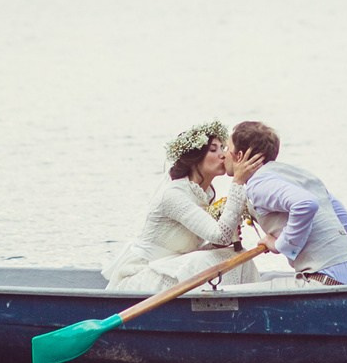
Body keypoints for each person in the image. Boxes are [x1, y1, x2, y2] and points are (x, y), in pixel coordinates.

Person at [101, 120, 265, 293]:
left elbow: (196, 248)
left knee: (236, 255)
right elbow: (221, 236)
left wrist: (218, 245)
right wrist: (238, 181)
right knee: (202, 261)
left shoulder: (207, 194)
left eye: (223, 148)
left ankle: (247, 300)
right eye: (213, 150)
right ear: (195, 159)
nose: (223, 155)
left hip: (171, 265)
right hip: (144, 275)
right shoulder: (174, 195)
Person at [228, 120, 347, 286]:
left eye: (227, 149)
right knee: (266, 277)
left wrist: (281, 244)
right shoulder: (300, 175)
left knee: (238, 289)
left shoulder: (258, 183)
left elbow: (306, 204)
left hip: (326, 279)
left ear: (239, 156)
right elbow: (346, 225)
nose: (224, 155)